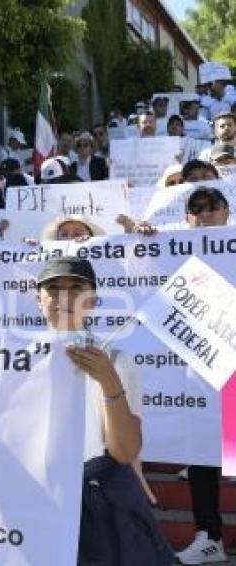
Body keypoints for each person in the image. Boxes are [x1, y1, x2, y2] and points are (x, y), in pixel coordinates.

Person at [34, 258, 171, 565]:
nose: (64, 297)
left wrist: (107, 379)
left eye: (76, 288)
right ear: (37, 299)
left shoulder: (116, 361)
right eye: (53, 288)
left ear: (93, 300)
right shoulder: (15, 361)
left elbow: (124, 452)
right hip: (34, 500)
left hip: (94, 510)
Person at [174, 187, 231, 565]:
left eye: (212, 208)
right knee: (203, 456)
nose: (205, 215)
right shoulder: (171, 251)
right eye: (197, 210)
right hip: (202, 371)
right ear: (187, 218)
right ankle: (209, 536)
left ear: (226, 211)